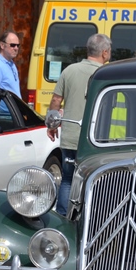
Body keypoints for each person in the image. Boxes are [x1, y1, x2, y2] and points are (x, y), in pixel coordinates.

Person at [47, 33, 112, 215]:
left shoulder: (69, 70)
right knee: (94, 180)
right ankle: (90, 216)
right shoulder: (105, 74)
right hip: (95, 140)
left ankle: (63, 217)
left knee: (68, 179)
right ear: (104, 52)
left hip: (70, 136)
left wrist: (52, 125)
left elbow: (56, 100)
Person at [0, 30, 22, 99]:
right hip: (2, 107)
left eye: (18, 45)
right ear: (2, 45)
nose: (16, 48)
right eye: (12, 45)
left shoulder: (10, 63)